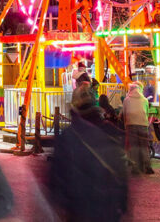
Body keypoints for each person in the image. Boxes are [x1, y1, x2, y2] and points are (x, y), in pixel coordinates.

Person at [49, 86, 128, 222]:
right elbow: (121, 170)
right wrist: (123, 203)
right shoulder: (109, 131)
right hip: (108, 209)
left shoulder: (68, 136)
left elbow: (57, 178)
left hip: (79, 211)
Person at [122, 82, 152, 175]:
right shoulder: (144, 100)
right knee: (144, 147)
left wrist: (125, 125)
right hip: (143, 125)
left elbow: (124, 113)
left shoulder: (126, 100)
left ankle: (136, 168)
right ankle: (147, 167)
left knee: (134, 147)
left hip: (131, 125)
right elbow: (147, 113)